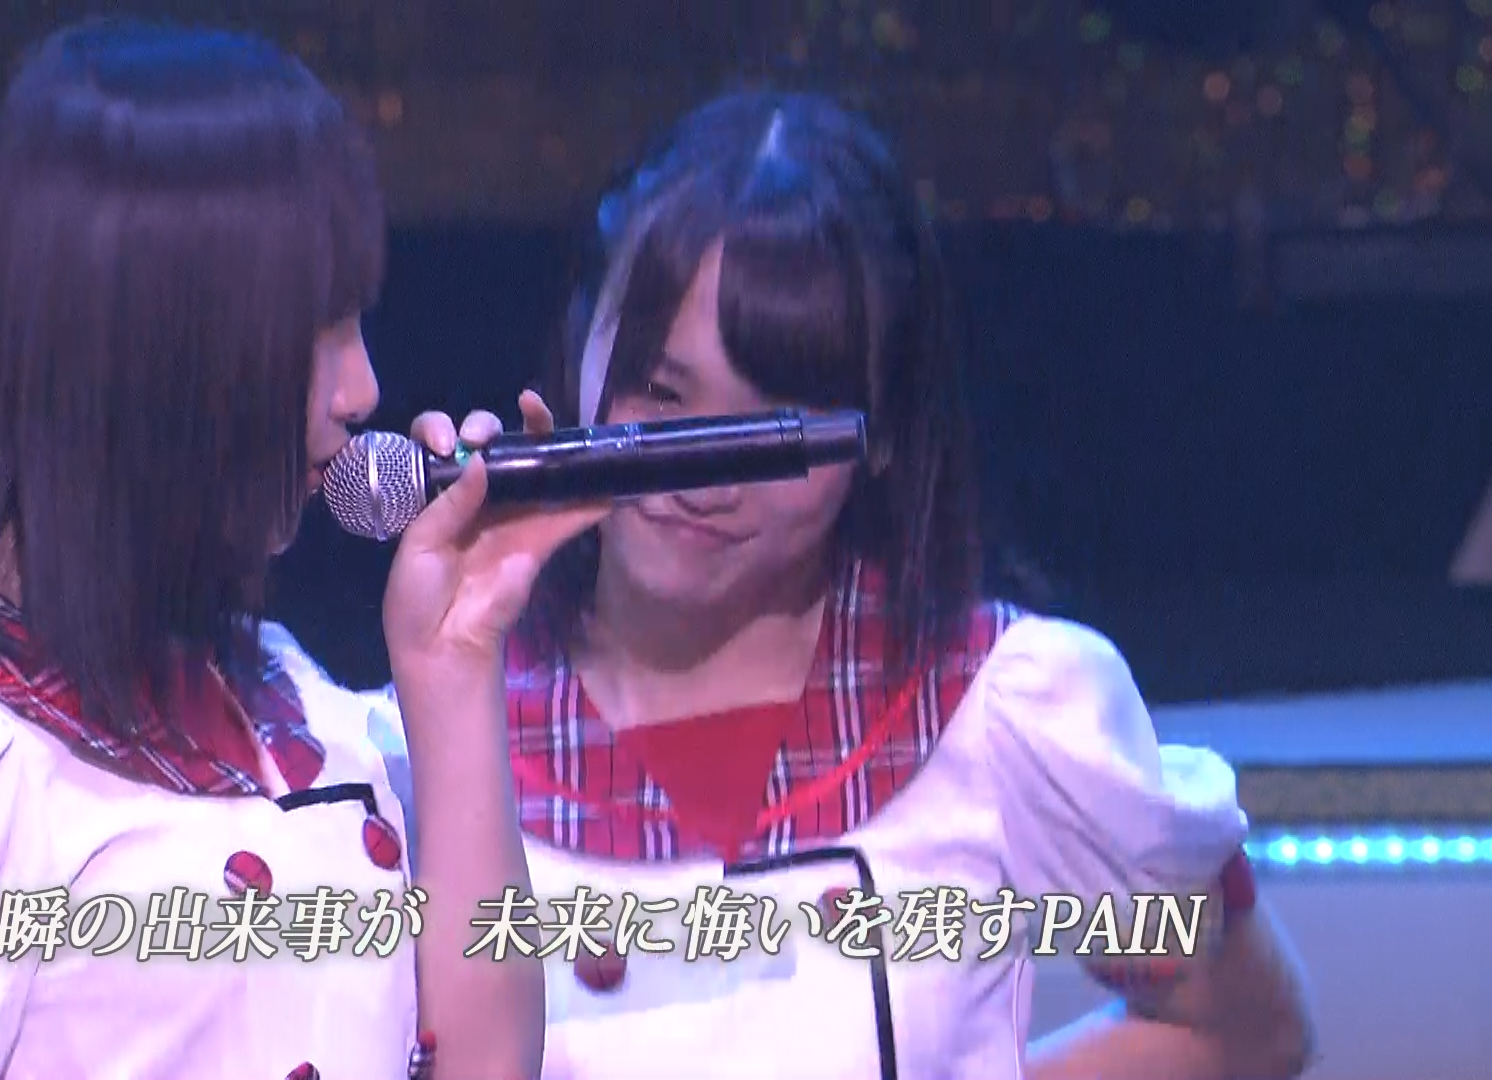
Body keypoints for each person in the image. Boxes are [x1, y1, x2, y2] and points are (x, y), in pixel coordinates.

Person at [0, 20, 600, 1080]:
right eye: (315, 331)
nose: (363, 389)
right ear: (151, 347)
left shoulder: (297, 704)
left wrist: (452, 656)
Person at [392, 91, 1317, 1078]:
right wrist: (453, 666)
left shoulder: (998, 708)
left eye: (773, 430)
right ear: (584, 350)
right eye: (661, 395)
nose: (703, 479)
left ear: (879, 432)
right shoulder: (426, 745)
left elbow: (1243, 1029)